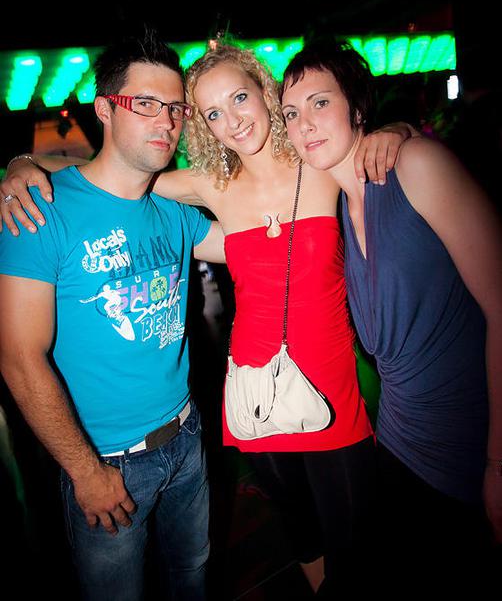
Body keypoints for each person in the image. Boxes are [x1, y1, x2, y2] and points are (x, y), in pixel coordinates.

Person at [0, 42, 413, 597]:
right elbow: (102, 176)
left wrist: (399, 129)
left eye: (238, 98)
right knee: (301, 535)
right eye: (212, 112)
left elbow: (369, 142)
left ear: (265, 92)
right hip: (254, 394)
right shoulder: (206, 186)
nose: (232, 120)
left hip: (319, 396)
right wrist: (22, 163)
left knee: (356, 546)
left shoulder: (317, 162)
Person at [0, 28, 226, 601]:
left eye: (174, 108)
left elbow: (253, 242)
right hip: (107, 462)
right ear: (104, 109)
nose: (166, 121)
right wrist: (85, 472)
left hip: (187, 437)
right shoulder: (43, 210)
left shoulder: (173, 212)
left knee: (193, 576)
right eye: (145, 103)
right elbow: (20, 360)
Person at [280, 39, 502, 591]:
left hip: (470, 441)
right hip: (400, 444)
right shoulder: (331, 209)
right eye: (291, 113)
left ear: (357, 107)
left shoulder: (417, 166)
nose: (304, 124)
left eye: (320, 103)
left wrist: (499, 464)